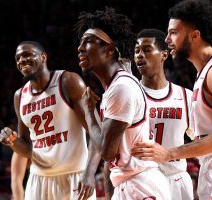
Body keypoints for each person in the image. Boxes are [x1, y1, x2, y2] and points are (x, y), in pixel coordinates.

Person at [131, 0, 212, 199]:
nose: (167, 39)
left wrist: (169, 154)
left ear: (195, 35)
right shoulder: (205, 72)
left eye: (174, 32)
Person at [75, 7, 171, 200]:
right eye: (80, 43)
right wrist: (89, 173)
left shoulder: (122, 88)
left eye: (89, 42)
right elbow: (104, 138)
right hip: (131, 183)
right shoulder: (116, 86)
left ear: (109, 49)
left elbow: (106, 152)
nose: (80, 48)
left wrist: (88, 111)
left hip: (142, 186)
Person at [0, 41, 100, 200]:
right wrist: (12, 140)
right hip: (38, 179)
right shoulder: (20, 96)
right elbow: (27, 150)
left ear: (43, 57)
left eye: (27, 55)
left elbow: (96, 132)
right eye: (18, 58)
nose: (22, 60)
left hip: (75, 175)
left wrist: (89, 173)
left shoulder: (68, 81)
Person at [134, 28, 194, 200]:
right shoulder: (129, 94)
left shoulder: (185, 97)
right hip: (141, 181)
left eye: (146, 50)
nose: (139, 55)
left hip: (176, 180)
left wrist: (170, 153)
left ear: (164, 55)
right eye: (136, 51)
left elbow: (202, 144)